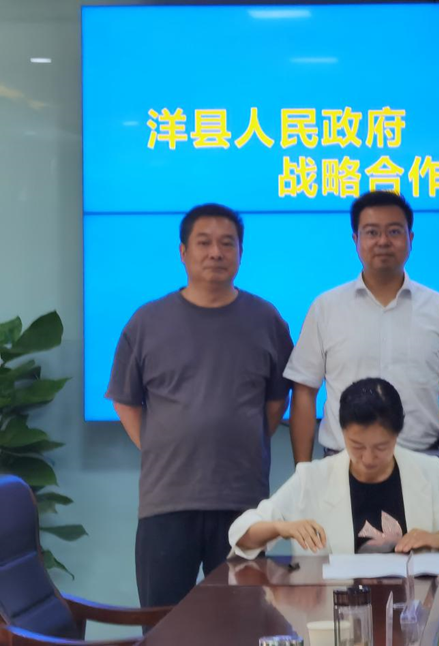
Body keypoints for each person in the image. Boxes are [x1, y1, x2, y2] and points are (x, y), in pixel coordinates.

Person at [106, 203, 293, 607]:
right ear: (183, 252)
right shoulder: (147, 322)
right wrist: (159, 446)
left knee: (243, 620)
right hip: (166, 500)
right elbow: (125, 400)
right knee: (163, 620)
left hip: (242, 503)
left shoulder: (266, 319)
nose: (216, 253)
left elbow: (277, 401)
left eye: (227, 243)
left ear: (241, 252)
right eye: (204, 243)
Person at [285, 191, 439, 462]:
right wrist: (304, 472)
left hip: (422, 462)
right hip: (342, 462)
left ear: (410, 238)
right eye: (371, 232)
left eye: (394, 232)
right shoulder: (326, 307)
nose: (383, 241)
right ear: (355, 240)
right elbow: (305, 393)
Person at [229, 378, 439, 557]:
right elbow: (242, 534)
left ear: (397, 435)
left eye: (381, 447)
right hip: (334, 604)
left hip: (416, 604)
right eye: (357, 446)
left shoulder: (428, 471)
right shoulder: (313, 478)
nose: (368, 458)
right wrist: (281, 528)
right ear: (342, 432)